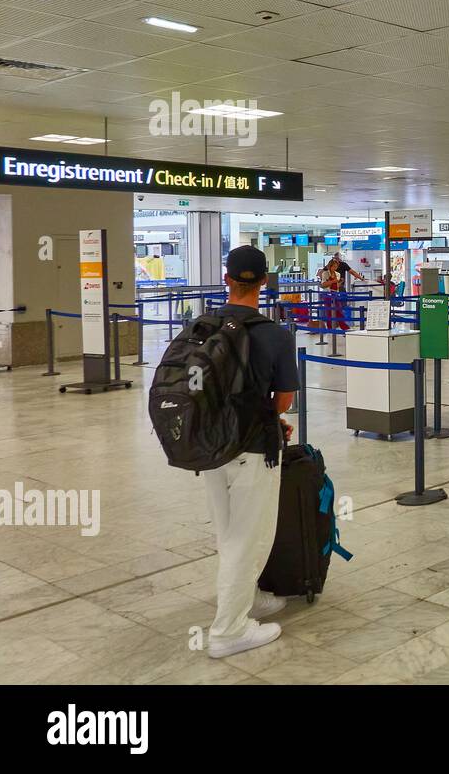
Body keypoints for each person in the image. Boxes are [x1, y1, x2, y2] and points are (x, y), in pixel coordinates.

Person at [204, 245, 299, 658]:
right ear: (264, 282)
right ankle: (228, 631)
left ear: (227, 279)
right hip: (255, 447)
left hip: (211, 445)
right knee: (250, 534)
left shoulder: (203, 326)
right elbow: (284, 401)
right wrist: (269, 416)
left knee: (228, 530)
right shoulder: (275, 334)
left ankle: (249, 598)